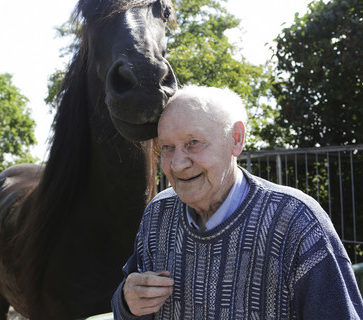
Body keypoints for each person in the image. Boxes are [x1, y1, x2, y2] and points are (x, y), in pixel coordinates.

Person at [111, 85, 363, 319]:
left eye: (193, 143)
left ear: (236, 139)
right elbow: (127, 304)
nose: (177, 164)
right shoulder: (158, 213)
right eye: (167, 147)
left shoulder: (297, 221)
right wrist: (126, 301)